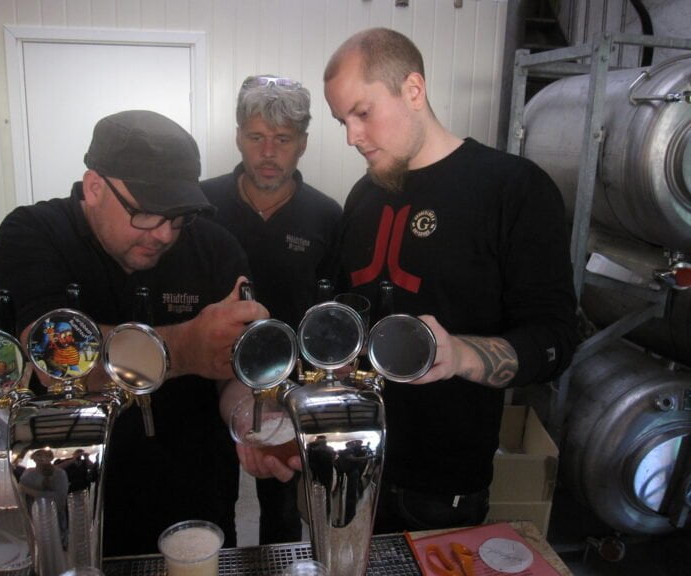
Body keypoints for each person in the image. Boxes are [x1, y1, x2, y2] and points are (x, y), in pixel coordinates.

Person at [237, 27, 579, 534]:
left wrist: (459, 355)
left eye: (362, 113)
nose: (352, 136)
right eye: (341, 121)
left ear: (413, 90)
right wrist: (291, 413)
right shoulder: (363, 196)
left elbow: (555, 339)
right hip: (343, 468)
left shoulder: (513, 188)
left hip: (440, 487)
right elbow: (332, 326)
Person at [0, 110, 268, 555]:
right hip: (75, 495)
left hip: (196, 494)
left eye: (178, 216)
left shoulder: (216, 248)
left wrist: (250, 423)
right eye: (145, 213)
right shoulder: (34, 232)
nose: (163, 233)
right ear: (95, 187)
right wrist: (180, 349)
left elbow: (230, 369)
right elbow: (53, 359)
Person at [202, 75, 341, 544]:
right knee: (208, 502)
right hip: (205, 382)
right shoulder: (201, 205)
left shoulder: (326, 217)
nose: (267, 152)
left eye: (282, 140)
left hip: (290, 388)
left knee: (282, 512)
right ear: (238, 135)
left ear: (302, 144)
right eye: (256, 137)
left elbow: (332, 316)